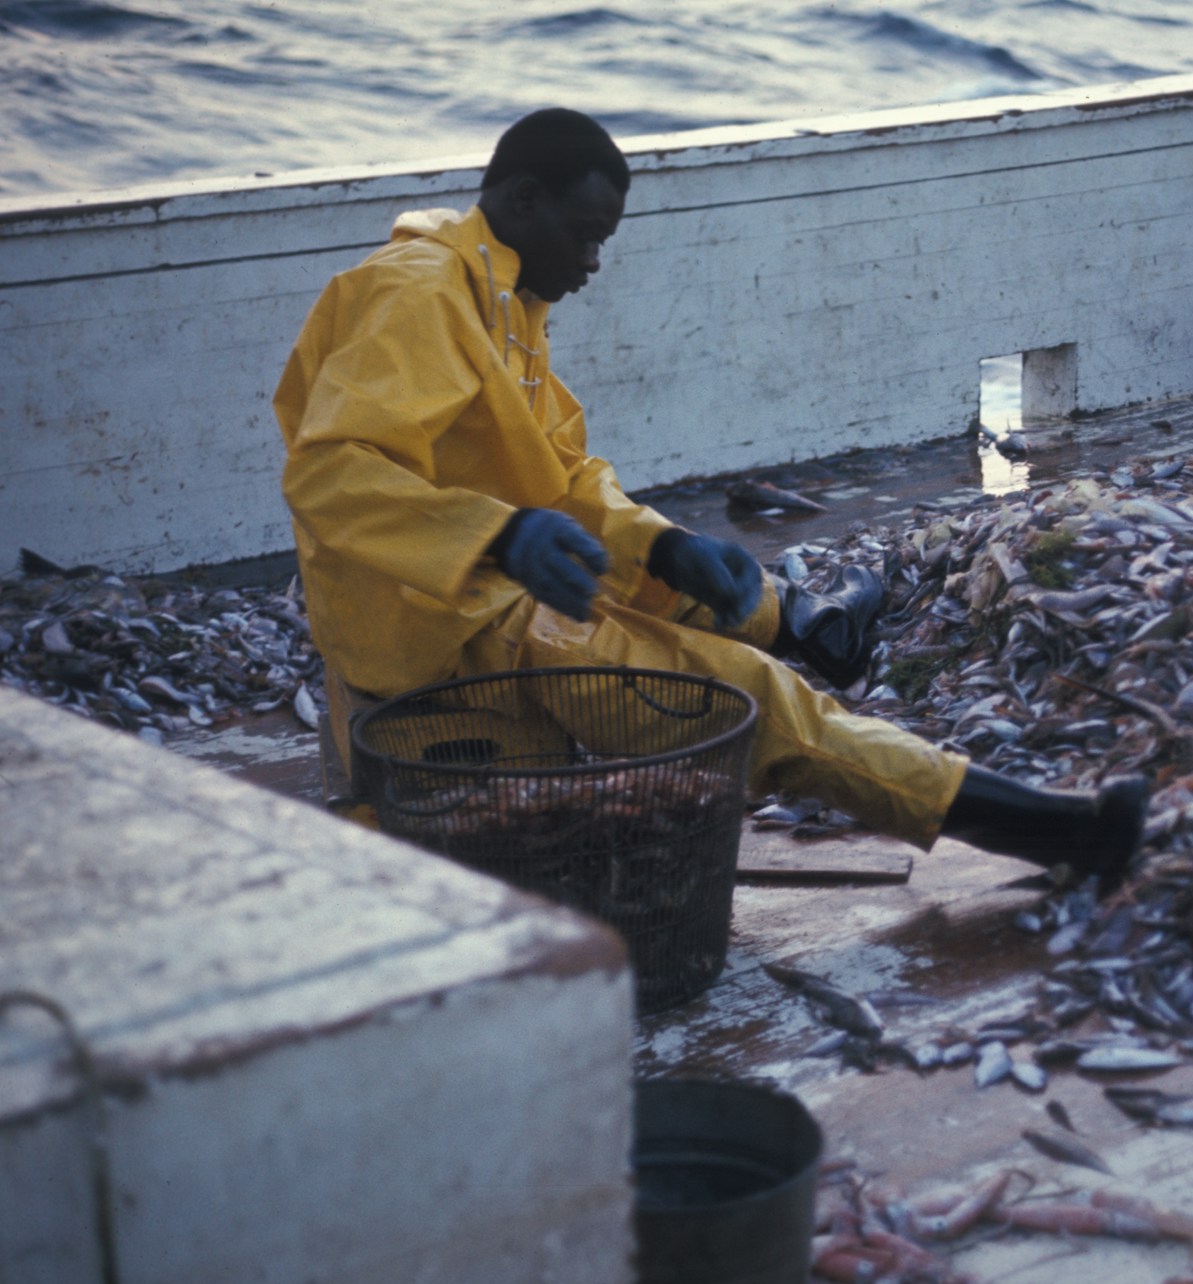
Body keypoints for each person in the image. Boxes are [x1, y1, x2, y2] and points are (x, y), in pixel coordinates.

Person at [274, 107, 1146, 881]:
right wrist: (497, 538)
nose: (594, 260)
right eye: (585, 234)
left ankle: (798, 618)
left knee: (677, 580)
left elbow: (563, 477)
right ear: (526, 200)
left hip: (491, 582)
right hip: (452, 626)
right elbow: (332, 472)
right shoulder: (420, 294)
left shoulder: (500, 296)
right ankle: (1058, 832)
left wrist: (664, 547)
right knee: (757, 702)